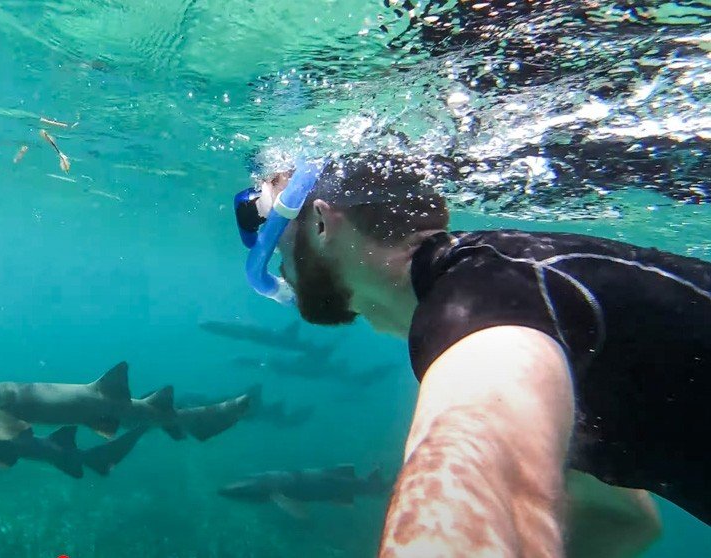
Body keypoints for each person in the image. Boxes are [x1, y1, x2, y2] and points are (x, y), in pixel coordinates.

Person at [232, 152, 708, 556]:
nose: (277, 260)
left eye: (279, 236)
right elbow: (620, 518)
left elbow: (493, 486)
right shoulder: (493, 282)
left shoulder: (479, 312)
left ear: (319, 222)